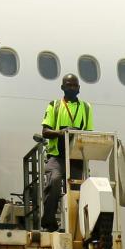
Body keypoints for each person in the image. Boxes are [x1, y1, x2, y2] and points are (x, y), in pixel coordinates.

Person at [40, 73, 93, 230]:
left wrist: (75, 134)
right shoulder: (54, 105)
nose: (72, 88)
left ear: (79, 88)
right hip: (57, 156)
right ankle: (49, 221)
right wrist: (62, 132)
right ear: (62, 87)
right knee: (54, 180)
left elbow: (89, 133)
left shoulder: (86, 108)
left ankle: (77, 227)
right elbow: (45, 131)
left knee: (78, 191)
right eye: (68, 85)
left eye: (74, 85)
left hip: (76, 157)